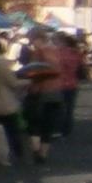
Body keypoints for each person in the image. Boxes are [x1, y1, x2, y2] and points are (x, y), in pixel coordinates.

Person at [19, 31, 63, 162]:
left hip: (39, 92)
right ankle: (43, 153)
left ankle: (36, 149)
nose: (31, 43)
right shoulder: (57, 52)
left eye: (32, 40)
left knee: (33, 122)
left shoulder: (38, 52)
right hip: (55, 92)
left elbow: (32, 72)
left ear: (39, 39)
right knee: (48, 125)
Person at [54, 33, 84, 138]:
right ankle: (67, 129)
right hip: (73, 84)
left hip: (59, 83)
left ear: (62, 42)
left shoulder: (58, 53)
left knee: (58, 108)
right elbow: (81, 69)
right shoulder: (76, 53)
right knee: (69, 108)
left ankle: (58, 128)